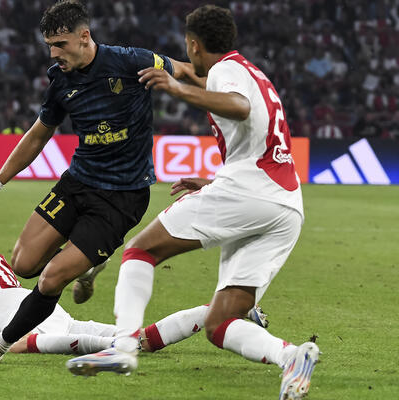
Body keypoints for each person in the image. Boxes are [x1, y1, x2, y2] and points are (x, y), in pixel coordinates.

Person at [67, 5, 320, 400]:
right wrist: (215, 180)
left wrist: (176, 88)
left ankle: (123, 348)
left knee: (139, 251)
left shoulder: (225, 71)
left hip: (249, 191)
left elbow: (240, 107)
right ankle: (291, 357)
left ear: (194, 44)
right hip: (284, 204)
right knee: (220, 324)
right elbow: (256, 132)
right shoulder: (253, 72)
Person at [0, 0, 199, 366]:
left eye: (60, 44)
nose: (54, 53)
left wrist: (221, 90)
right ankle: (86, 265)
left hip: (122, 197)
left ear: (84, 37)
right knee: (23, 264)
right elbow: (39, 133)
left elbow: (183, 69)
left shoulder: (131, 61)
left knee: (51, 279)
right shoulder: (61, 79)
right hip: (78, 183)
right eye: (49, 46)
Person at [0, 206, 269, 356]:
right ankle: (230, 309)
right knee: (137, 338)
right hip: (40, 307)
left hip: (27, 323)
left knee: (128, 346)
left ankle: (225, 311)